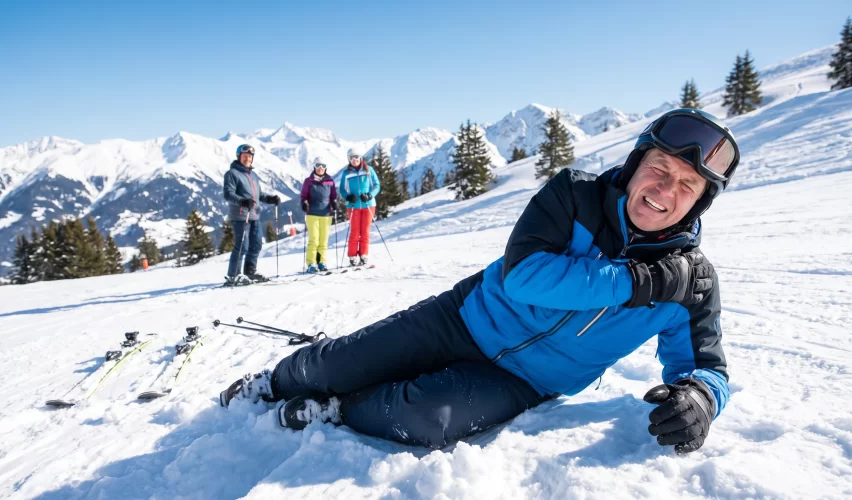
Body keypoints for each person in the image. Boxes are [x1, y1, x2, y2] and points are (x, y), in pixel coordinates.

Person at [220, 109, 738, 455]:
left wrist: (700, 399)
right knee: (340, 360)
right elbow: (525, 278)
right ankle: (275, 382)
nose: (664, 189)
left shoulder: (691, 284)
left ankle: (337, 409)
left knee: (427, 419)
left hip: (526, 381)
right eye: (659, 168)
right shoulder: (574, 196)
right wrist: (634, 282)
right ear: (634, 166)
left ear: (698, 202)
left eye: (686, 185)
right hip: (464, 317)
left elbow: (705, 367)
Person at [222, 144, 280, 284]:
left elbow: (258, 195)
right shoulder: (231, 174)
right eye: (245, 156)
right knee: (242, 246)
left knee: (256, 246)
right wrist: (242, 201)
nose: (247, 158)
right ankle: (233, 276)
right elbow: (228, 194)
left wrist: (270, 199)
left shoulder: (253, 175)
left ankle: (250, 272)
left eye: (250, 156)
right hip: (241, 215)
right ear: (239, 157)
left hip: (254, 215)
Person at [338, 148, 380, 267]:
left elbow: (377, 186)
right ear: (349, 159)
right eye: (352, 157)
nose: (355, 160)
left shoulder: (369, 170)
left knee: (365, 231)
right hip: (353, 206)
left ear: (360, 157)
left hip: (368, 204)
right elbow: (342, 189)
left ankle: (363, 254)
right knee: (355, 231)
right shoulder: (347, 173)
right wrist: (348, 197)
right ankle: (352, 256)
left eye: (356, 157)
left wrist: (370, 195)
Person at [300, 157, 338, 273]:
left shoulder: (330, 181)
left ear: (326, 167)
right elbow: (303, 196)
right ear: (314, 167)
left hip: (326, 214)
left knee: (323, 240)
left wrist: (334, 203)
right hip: (312, 214)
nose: (320, 168)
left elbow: (333, 196)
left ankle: (322, 262)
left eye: (323, 166)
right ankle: (311, 263)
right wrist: (304, 203)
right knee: (314, 240)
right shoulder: (308, 181)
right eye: (318, 166)